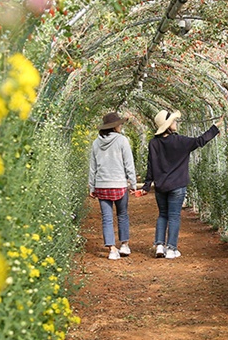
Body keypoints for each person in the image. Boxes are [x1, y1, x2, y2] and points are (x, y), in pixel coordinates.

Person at [141, 108, 218, 259]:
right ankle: (171, 248)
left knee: (163, 215)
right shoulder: (180, 141)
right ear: (168, 125)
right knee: (174, 216)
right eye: (173, 121)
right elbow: (200, 141)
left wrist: (146, 185)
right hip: (177, 186)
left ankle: (159, 246)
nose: (175, 123)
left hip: (161, 186)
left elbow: (150, 165)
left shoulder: (153, 144)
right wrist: (215, 129)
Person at [88, 111, 141, 260]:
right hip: (119, 184)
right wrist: (133, 184)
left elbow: (93, 167)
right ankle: (124, 245)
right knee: (122, 215)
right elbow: (128, 164)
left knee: (107, 217)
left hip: (102, 184)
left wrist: (92, 186)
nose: (121, 126)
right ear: (115, 127)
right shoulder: (122, 140)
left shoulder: (96, 142)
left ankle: (112, 249)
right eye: (120, 124)